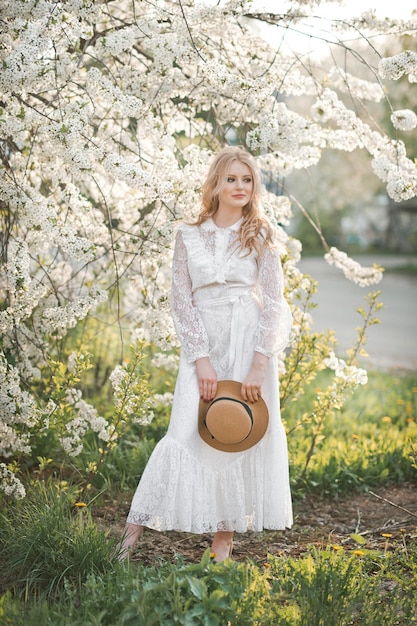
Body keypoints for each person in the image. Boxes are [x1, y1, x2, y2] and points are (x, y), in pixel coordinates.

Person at [119, 145, 293, 562]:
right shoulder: (188, 234)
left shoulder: (262, 233)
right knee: (184, 430)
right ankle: (127, 540)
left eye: (247, 179)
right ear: (215, 184)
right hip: (203, 342)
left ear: (255, 186)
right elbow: (181, 300)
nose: (239, 187)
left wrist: (258, 363)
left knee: (235, 432)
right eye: (231, 178)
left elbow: (273, 302)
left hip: (247, 339)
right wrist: (200, 358)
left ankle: (223, 542)